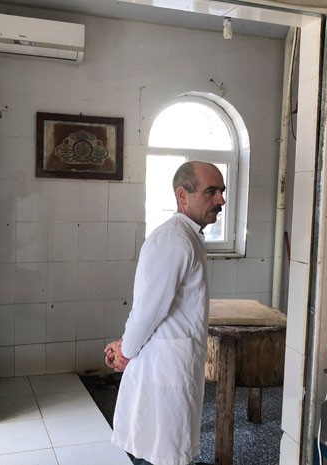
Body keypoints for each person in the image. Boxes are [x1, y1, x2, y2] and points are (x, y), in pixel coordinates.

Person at [104, 161, 226, 465]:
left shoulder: (188, 236)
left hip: (172, 362)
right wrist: (125, 351)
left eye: (222, 191)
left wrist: (125, 347)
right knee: (161, 449)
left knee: (167, 447)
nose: (221, 200)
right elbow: (148, 311)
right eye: (211, 191)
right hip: (163, 366)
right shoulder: (173, 240)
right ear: (182, 195)